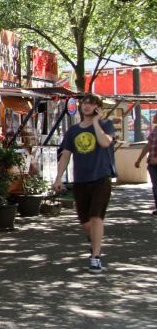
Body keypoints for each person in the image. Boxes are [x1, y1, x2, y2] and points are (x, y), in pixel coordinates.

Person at [52, 93, 116, 272]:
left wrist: (96, 122)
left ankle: (96, 257)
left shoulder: (106, 125)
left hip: (101, 177)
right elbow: (65, 155)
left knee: (96, 216)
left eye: (91, 103)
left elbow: (104, 143)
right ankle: (96, 241)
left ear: (97, 107)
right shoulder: (73, 131)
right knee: (85, 222)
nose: (87, 106)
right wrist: (58, 177)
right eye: (84, 103)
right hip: (81, 180)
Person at [134, 122, 157, 215]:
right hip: (152, 164)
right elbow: (148, 146)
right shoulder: (154, 130)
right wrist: (139, 159)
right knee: (155, 187)